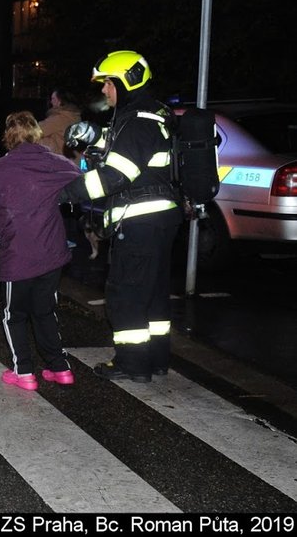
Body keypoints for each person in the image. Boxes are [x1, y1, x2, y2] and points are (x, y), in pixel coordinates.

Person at [60, 50, 182, 383]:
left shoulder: (139, 122)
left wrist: (65, 192)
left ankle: (132, 364)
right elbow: (126, 151)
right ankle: (155, 359)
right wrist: (94, 137)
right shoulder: (149, 114)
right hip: (159, 219)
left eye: (107, 84)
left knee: (126, 294)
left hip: (140, 220)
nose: (103, 91)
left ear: (124, 82)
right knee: (153, 295)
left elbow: (115, 175)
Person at [0, 112, 81, 390]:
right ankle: (60, 368)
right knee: (45, 310)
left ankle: (24, 373)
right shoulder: (54, 162)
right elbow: (80, 177)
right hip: (52, 252)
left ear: (8, 138)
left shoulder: (0, 169)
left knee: (14, 314)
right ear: (35, 134)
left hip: (19, 256)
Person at [38, 90, 83, 163]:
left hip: (60, 162)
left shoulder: (59, 118)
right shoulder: (75, 116)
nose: (51, 102)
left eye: (53, 99)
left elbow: (35, 131)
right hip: (73, 160)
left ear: (60, 101)